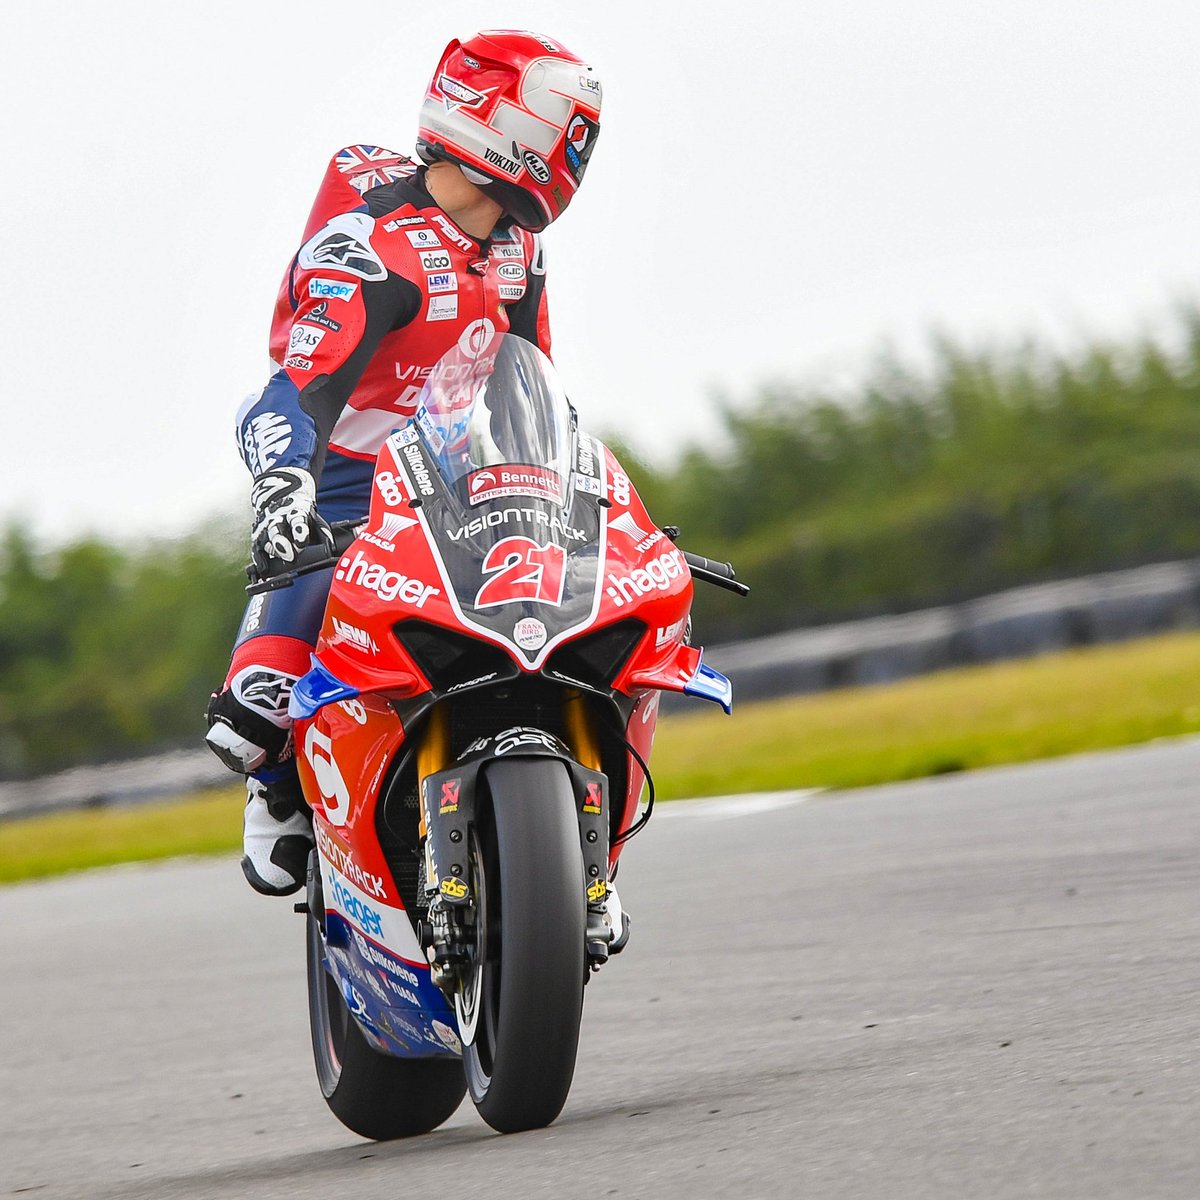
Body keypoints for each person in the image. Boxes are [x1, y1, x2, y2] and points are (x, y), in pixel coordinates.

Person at [205, 30, 603, 896]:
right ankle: (283, 782)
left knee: (587, 629)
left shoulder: (518, 254)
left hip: (473, 482)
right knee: (251, 712)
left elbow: (538, 385)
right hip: (349, 489)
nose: (577, 145)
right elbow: (296, 391)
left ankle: (590, 859)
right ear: (502, 125)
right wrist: (283, 493)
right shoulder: (370, 245)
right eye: (565, 125)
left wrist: (592, 499)